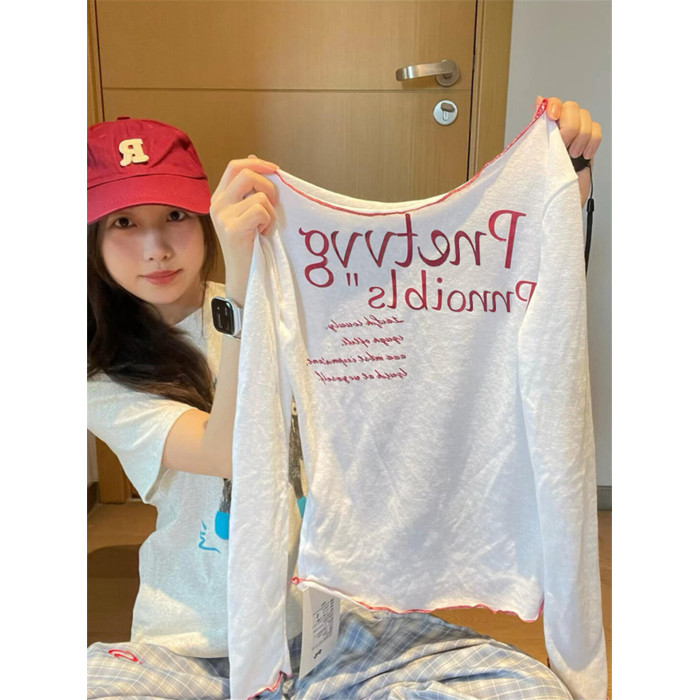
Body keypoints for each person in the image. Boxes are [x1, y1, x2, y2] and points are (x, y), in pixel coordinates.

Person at [87, 97, 603, 700]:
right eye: (124, 223)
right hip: (195, 647)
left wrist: (561, 182)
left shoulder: (297, 299)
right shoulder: (103, 374)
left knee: (527, 690)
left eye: (174, 214)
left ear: (204, 216)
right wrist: (247, 282)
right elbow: (231, 450)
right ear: (92, 240)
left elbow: (442, 337)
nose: (155, 246)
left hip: (332, 630)